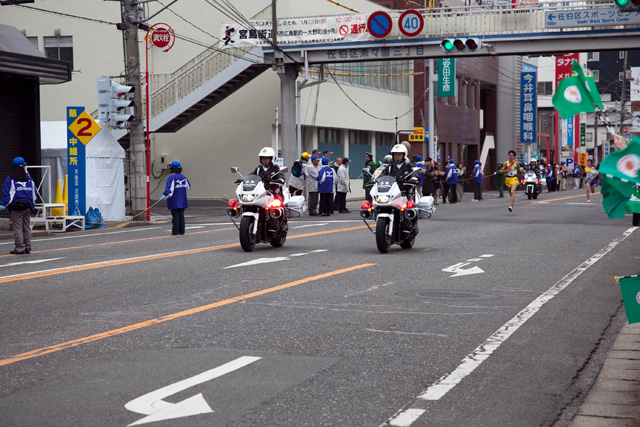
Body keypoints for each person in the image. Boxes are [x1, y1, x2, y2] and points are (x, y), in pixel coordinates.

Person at [0, 157, 36, 254]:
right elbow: (34, 194)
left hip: (16, 208)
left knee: (18, 227)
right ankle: (28, 247)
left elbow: (9, 196)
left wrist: (2, 205)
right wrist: (32, 206)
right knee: (26, 227)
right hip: (27, 206)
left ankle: (20, 248)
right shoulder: (28, 179)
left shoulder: (11, 179)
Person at [161, 161, 191, 236]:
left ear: (172, 169)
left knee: (175, 216)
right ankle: (182, 231)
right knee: (181, 215)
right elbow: (188, 187)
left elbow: (169, 190)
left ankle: (175, 231)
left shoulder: (171, 178)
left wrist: (165, 195)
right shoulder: (183, 177)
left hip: (174, 200)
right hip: (183, 200)